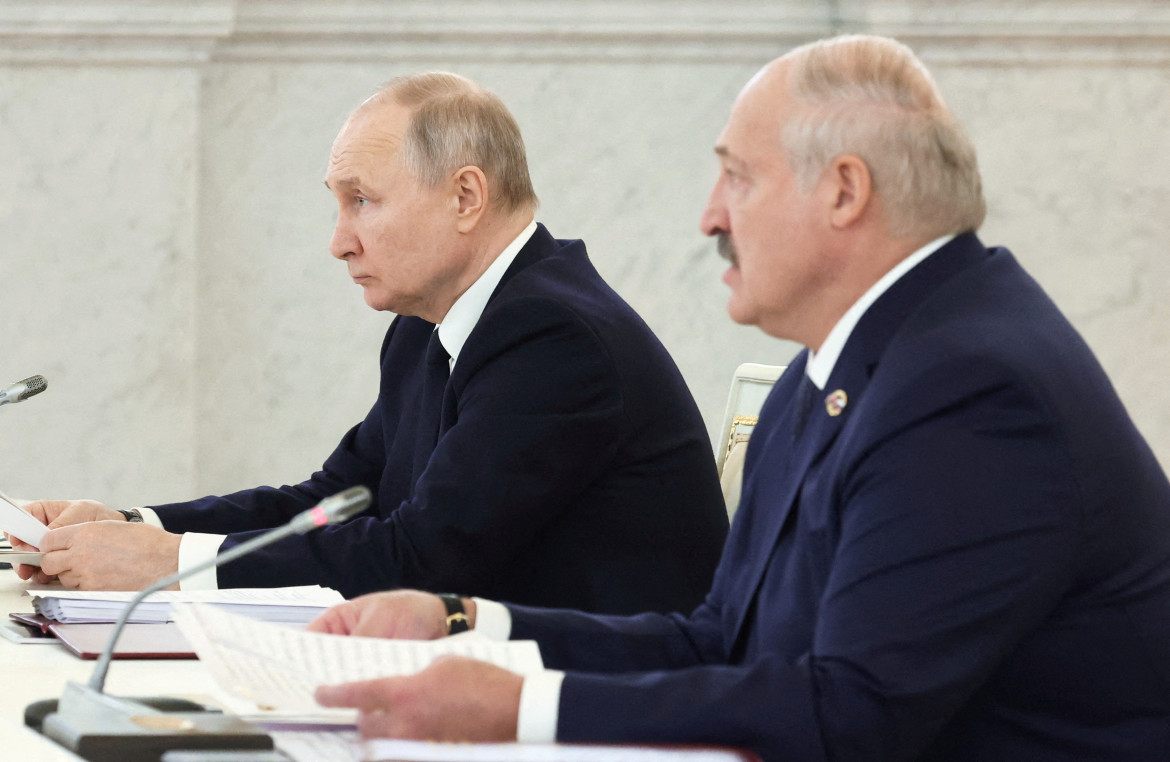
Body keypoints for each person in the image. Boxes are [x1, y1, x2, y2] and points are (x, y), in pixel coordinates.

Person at [304, 35, 1170, 760]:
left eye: (738, 177)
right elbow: (718, 636)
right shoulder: (832, 364)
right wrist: (463, 623)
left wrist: (521, 712)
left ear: (844, 191)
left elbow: (854, 713)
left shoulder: (974, 386)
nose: (711, 217)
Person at [12, 72, 730, 614]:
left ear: (465, 197)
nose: (338, 242)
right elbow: (339, 499)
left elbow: (418, 557)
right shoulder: (428, 328)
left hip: (597, 711)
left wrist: (167, 561)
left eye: (362, 201)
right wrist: (133, 525)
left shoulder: (555, 337)